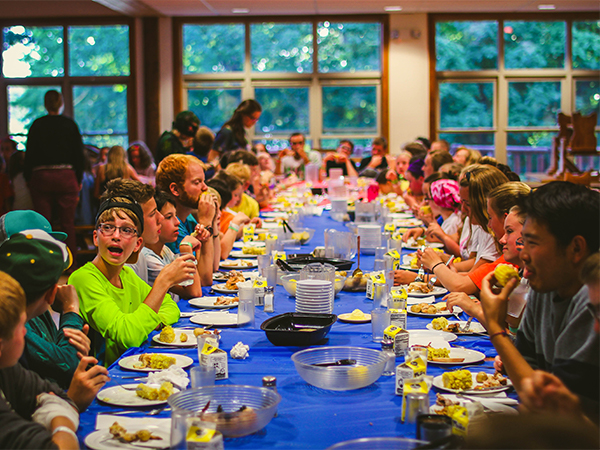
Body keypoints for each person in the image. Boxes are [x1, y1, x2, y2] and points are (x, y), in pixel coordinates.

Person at [479, 181, 599, 419]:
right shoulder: (544, 285)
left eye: (532, 243)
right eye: (522, 242)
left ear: (576, 248)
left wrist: (495, 328)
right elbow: (528, 363)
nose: (523, 255)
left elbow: (557, 411)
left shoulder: (591, 303)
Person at [68, 196, 184, 365]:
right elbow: (128, 335)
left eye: (126, 230)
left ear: (138, 244)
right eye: (107, 228)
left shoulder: (126, 275)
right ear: (95, 237)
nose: (116, 236)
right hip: (106, 379)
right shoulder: (83, 279)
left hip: (135, 366)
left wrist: (147, 324)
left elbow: (171, 307)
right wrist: (163, 283)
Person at [0, 271, 81, 449]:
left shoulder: (7, 369)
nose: (25, 332)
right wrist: (60, 421)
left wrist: (57, 406)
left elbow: (60, 396)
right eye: (22, 325)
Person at [24, 90, 84, 262]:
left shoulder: (37, 125)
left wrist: (29, 179)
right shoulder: (70, 125)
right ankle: (70, 263)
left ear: (45, 104)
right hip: (66, 177)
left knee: (43, 224)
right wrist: (78, 179)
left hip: (41, 177)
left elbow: (29, 155)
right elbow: (78, 155)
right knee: (67, 224)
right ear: (61, 103)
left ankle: (44, 262)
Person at [155, 154, 220, 286]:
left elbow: (214, 265)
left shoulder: (188, 218)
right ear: (175, 189)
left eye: (204, 181)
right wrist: (205, 223)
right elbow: (203, 279)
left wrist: (212, 222)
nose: (205, 188)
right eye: (197, 182)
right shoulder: (170, 226)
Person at [142, 190, 208, 300]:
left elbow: (202, 279)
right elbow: (194, 292)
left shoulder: (164, 249)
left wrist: (205, 242)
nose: (177, 222)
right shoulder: (147, 258)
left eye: (176, 215)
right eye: (169, 217)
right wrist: (186, 249)